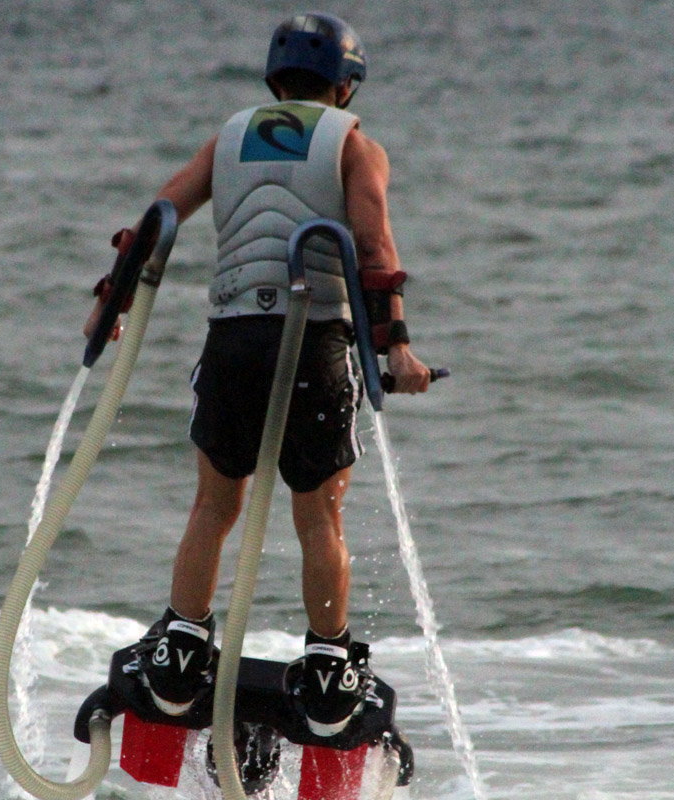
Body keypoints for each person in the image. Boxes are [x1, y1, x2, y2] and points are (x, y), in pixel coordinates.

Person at [84, 12, 431, 737]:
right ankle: (331, 664)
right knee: (319, 514)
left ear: (274, 80)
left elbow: (156, 217)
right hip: (316, 341)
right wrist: (398, 350)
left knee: (214, 504)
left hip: (234, 336)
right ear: (345, 85)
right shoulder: (357, 145)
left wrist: (107, 307)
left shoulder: (231, 136)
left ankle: (182, 644)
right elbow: (373, 247)